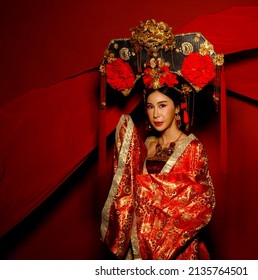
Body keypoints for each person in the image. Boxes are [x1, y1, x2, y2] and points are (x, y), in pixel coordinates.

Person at [99, 19, 224, 260]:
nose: (156, 114)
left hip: (177, 250)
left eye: (163, 106)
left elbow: (200, 203)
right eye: (150, 107)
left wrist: (145, 192)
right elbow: (127, 193)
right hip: (139, 249)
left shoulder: (192, 148)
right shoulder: (146, 145)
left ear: (177, 108)